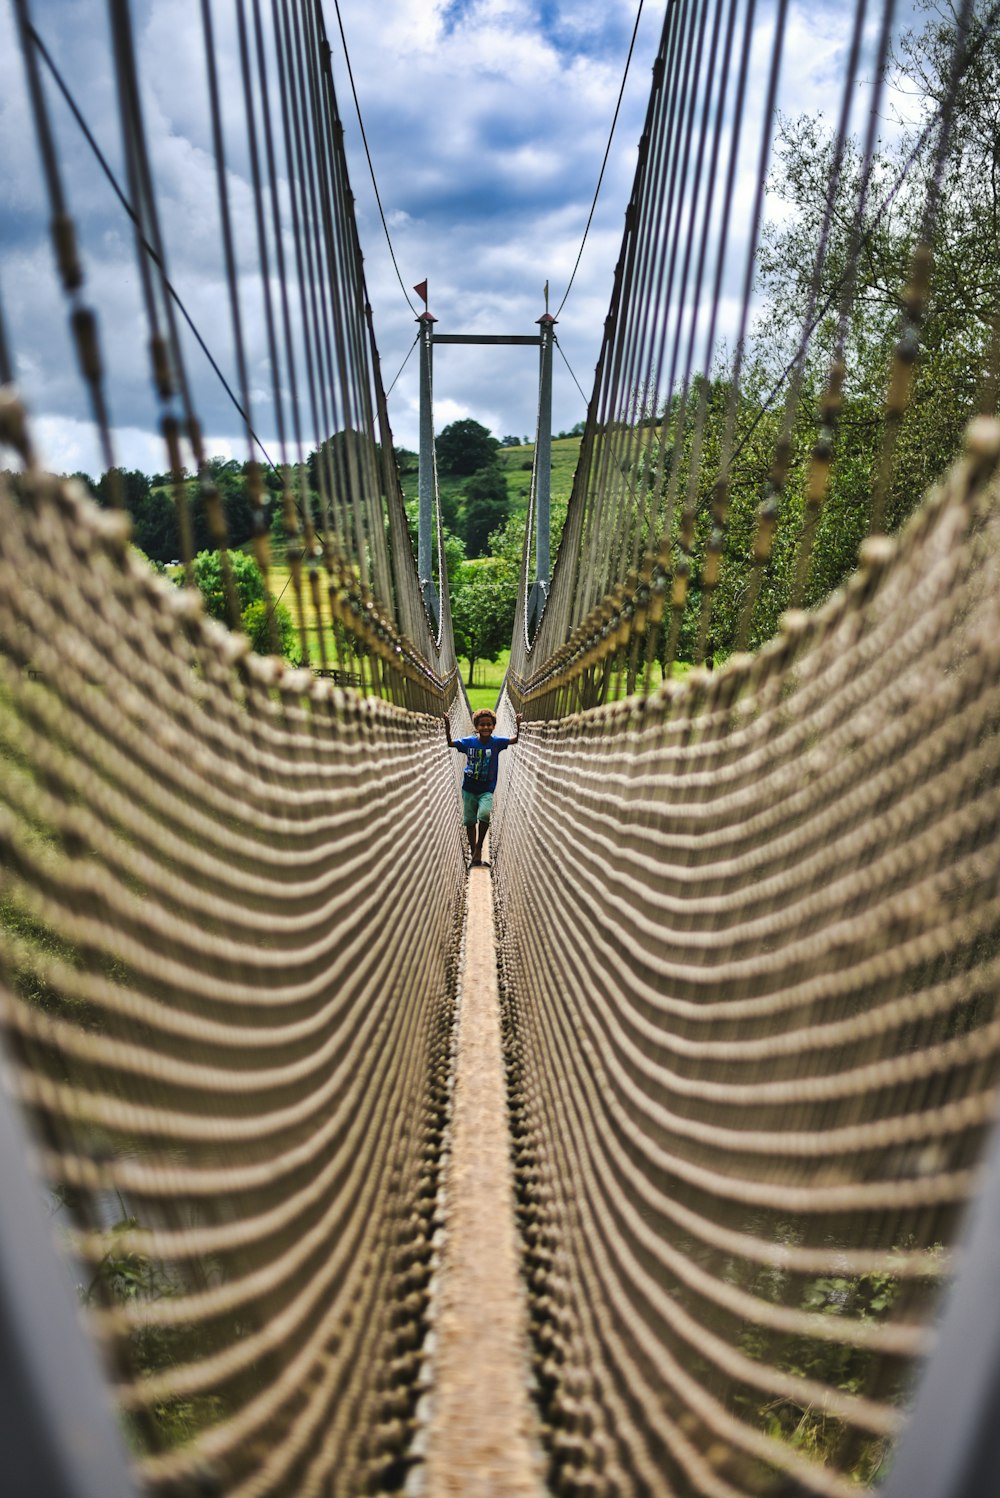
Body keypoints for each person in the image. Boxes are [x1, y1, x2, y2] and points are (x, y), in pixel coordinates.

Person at [443, 708, 523, 867]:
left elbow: (514, 740)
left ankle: (479, 847)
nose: (485, 728)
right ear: (476, 727)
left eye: (489, 725)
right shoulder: (468, 742)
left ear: (494, 726)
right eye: (482, 725)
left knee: (485, 814)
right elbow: (450, 743)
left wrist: (518, 725)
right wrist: (447, 725)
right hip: (469, 789)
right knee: (470, 821)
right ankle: (474, 853)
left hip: (487, 788)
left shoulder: (497, 742)